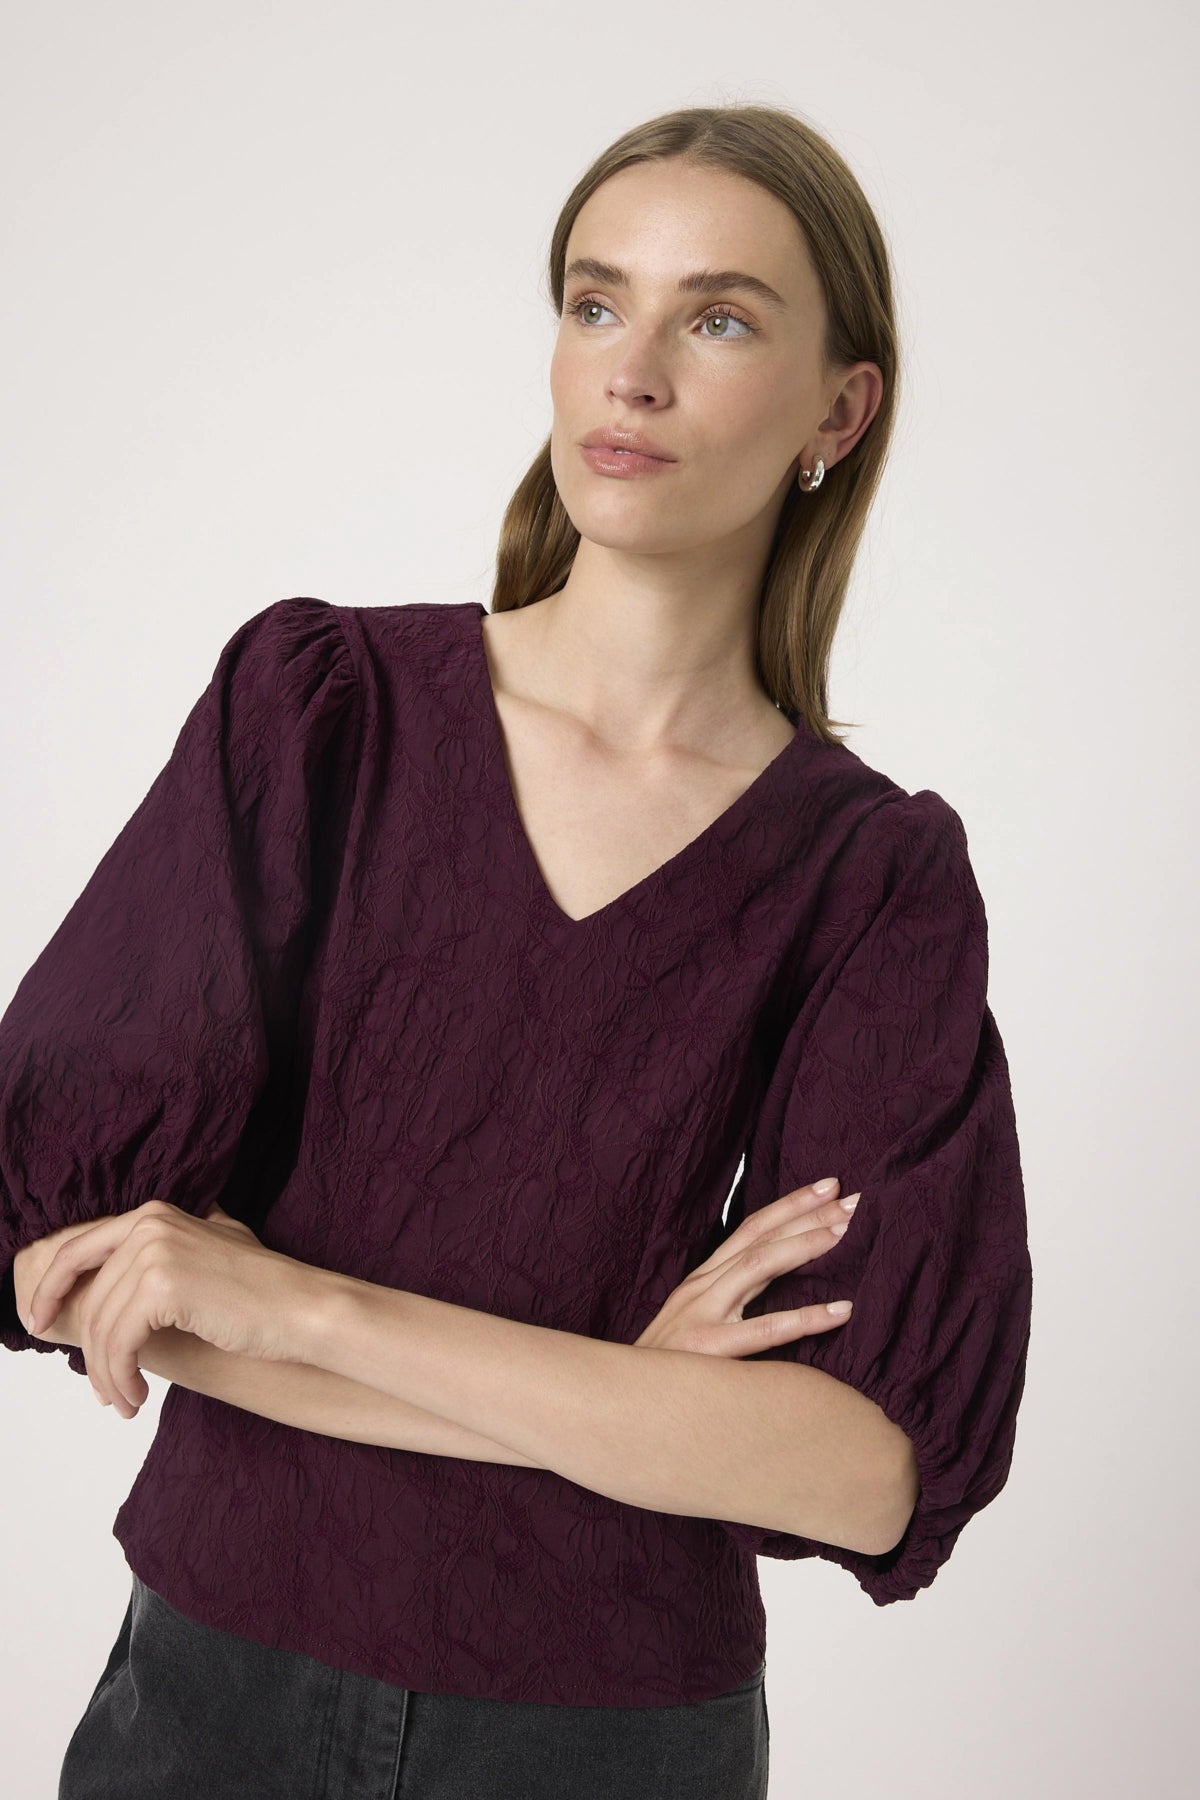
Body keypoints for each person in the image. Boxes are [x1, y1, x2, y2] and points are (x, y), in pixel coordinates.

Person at [1, 103, 1033, 1800]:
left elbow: (856, 1473)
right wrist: (624, 1407)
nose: (630, 374)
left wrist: (295, 1304)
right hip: (211, 1700)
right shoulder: (321, 714)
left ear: (838, 412)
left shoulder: (871, 877)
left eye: (717, 319)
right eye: (592, 302)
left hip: (610, 1737)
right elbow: (85, 1276)